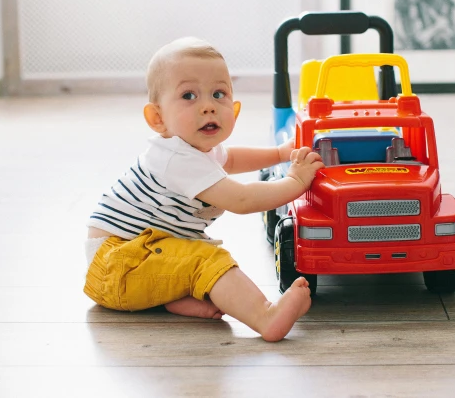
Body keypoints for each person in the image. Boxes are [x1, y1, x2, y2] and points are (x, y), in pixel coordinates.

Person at [83, 36, 324, 342]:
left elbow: (232, 158)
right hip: (119, 266)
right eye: (189, 96)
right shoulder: (177, 159)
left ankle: (168, 297)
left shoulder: (196, 149)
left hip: (131, 261)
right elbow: (242, 199)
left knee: (190, 252)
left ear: (234, 109)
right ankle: (265, 316)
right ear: (158, 119)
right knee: (205, 258)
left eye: (218, 93)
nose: (208, 106)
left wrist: (278, 154)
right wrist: (296, 182)